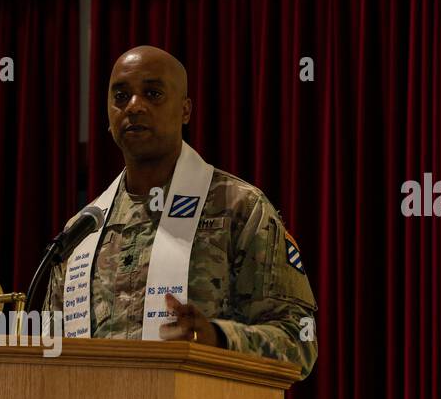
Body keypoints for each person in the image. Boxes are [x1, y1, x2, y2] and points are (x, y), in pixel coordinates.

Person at [44, 46, 317, 380]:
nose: (134, 106)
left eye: (153, 93)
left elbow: (299, 342)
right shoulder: (82, 229)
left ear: (185, 110)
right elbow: (49, 351)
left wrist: (218, 339)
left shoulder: (239, 209)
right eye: (121, 96)